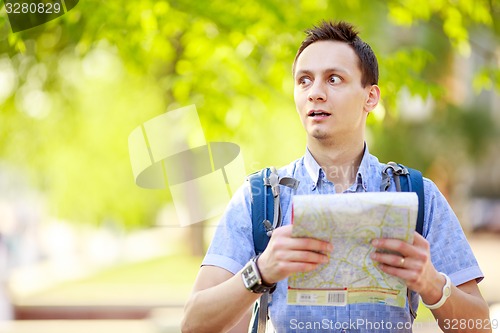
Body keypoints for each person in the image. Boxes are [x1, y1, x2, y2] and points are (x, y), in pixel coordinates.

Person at [181, 21, 491, 333]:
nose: (315, 92)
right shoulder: (260, 198)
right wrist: (260, 272)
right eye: (304, 81)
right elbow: (193, 324)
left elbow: (479, 328)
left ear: (370, 97)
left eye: (333, 79)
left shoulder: (417, 195)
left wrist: (433, 284)